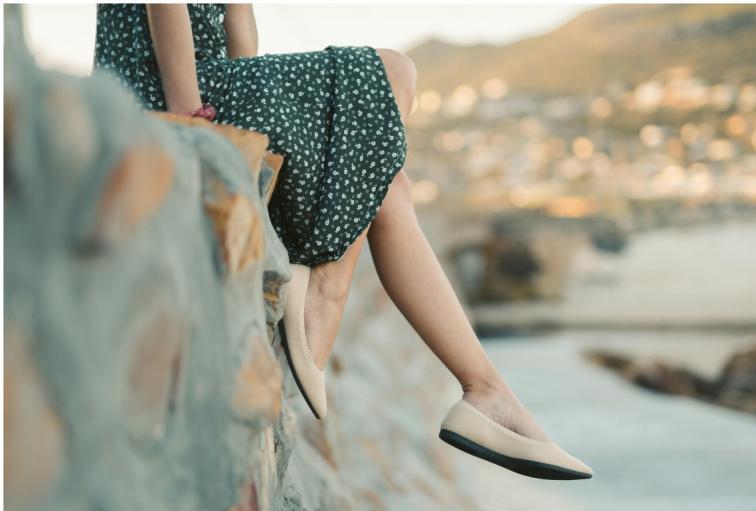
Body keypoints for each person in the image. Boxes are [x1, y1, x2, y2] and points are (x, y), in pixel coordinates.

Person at [93, 3, 592, 480]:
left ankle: (484, 390)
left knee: (389, 184)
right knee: (392, 72)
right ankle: (332, 293)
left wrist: (267, 128)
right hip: (152, 91)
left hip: (211, 86)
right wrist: (191, 122)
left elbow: (238, 17)